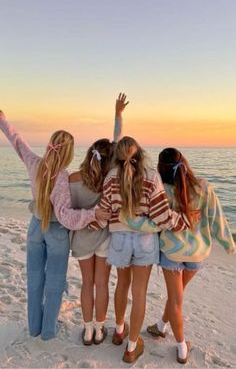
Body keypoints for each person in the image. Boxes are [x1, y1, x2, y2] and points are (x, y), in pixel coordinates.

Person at [0, 110, 108, 341]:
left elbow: (17, 142)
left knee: (35, 277)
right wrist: (93, 213)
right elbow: (66, 216)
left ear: (49, 145)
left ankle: (33, 327)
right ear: (68, 153)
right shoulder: (62, 177)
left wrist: (2, 120)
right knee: (55, 281)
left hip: (35, 227)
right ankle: (48, 331)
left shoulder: (34, 163)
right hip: (56, 231)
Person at [90, 137, 191, 364]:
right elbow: (162, 217)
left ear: (118, 156)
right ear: (140, 154)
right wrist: (185, 221)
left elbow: (103, 211)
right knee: (139, 294)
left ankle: (118, 331)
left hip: (119, 239)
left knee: (121, 285)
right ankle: (132, 347)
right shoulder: (151, 176)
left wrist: (88, 223)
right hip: (144, 240)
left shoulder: (111, 177)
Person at [147, 148, 236, 364]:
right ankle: (160, 326)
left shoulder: (162, 191)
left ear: (161, 168)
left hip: (172, 252)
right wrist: (228, 244)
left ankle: (181, 348)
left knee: (176, 299)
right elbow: (217, 218)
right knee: (177, 297)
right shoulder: (204, 186)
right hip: (197, 253)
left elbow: (155, 221)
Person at [69, 93, 129, 345]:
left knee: (87, 284)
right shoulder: (111, 177)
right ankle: (101, 328)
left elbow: (67, 212)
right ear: (110, 158)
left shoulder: (72, 178)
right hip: (104, 237)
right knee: (102, 283)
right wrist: (118, 114)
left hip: (82, 238)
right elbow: (118, 140)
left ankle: (88, 329)